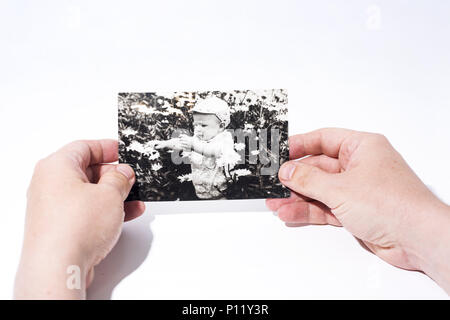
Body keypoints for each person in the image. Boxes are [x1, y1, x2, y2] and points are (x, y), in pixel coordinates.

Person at [14, 128, 450, 299]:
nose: (202, 132)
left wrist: (52, 262)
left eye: (209, 125)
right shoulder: (195, 153)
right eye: (198, 125)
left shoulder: (225, 149)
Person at [153, 96, 240, 200]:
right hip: (200, 190)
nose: (198, 129)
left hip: (221, 192)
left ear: (221, 126)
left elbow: (214, 151)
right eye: (195, 125)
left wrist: (193, 145)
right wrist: (165, 143)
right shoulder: (198, 139)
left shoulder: (224, 139)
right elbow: (181, 143)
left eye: (203, 125)